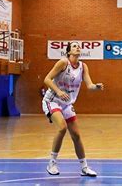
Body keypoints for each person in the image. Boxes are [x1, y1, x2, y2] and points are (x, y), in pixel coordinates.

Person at [42, 41, 103, 177]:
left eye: (78, 46)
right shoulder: (63, 63)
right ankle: (51, 163)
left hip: (67, 104)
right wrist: (58, 91)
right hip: (52, 100)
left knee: (76, 135)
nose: (78, 47)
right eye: (74, 46)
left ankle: (84, 167)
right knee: (62, 128)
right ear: (69, 52)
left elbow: (89, 85)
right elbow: (47, 79)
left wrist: (96, 86)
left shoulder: (83, 66)